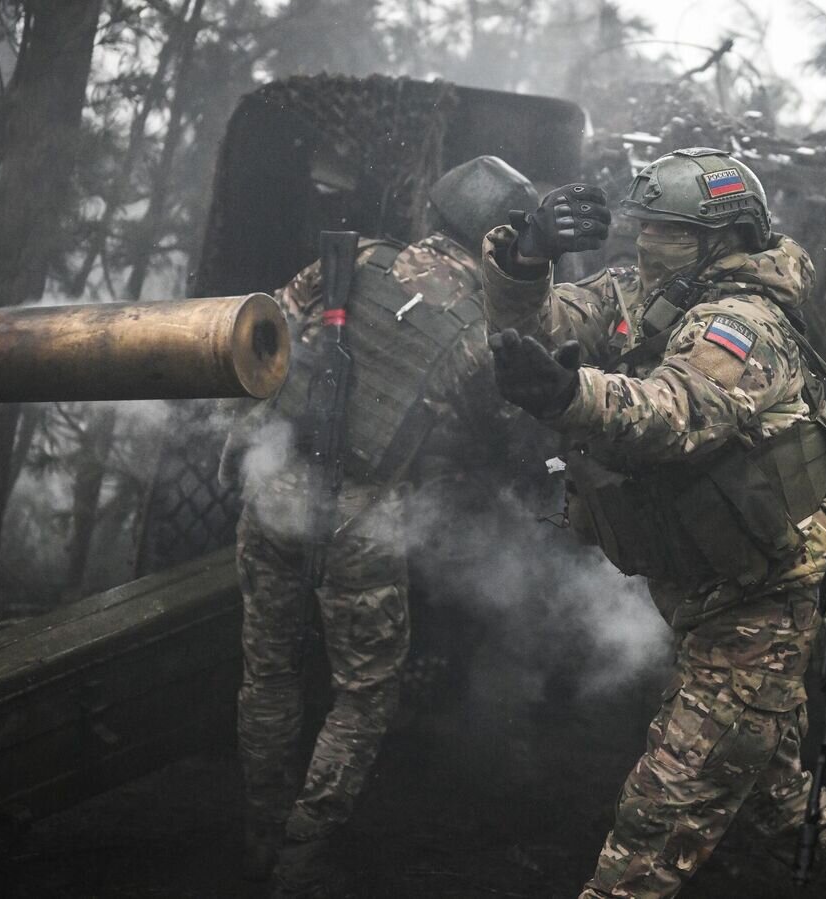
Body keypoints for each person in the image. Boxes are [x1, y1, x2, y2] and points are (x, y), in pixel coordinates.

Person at [482, 147, 826, 898]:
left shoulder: (745, 323)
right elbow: (544, 319)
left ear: (720, 239)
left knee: (654, 825)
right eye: (647, 223)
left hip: (760, 605)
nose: (648, 239)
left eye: (670, 228)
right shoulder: (644, 292)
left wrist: (570, 396)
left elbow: (681, 412)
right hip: (703, 593)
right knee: (780, 802)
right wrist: (527, 256)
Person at [220, 155, 539, 896]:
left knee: (265, 670)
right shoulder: (477, 328)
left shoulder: (355, 257)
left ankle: (260, 834)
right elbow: (497, 433)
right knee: (362, 694)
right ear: (500, 239)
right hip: (363, 517)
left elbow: (268, 329)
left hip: (275, 485)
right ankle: (301, 862)